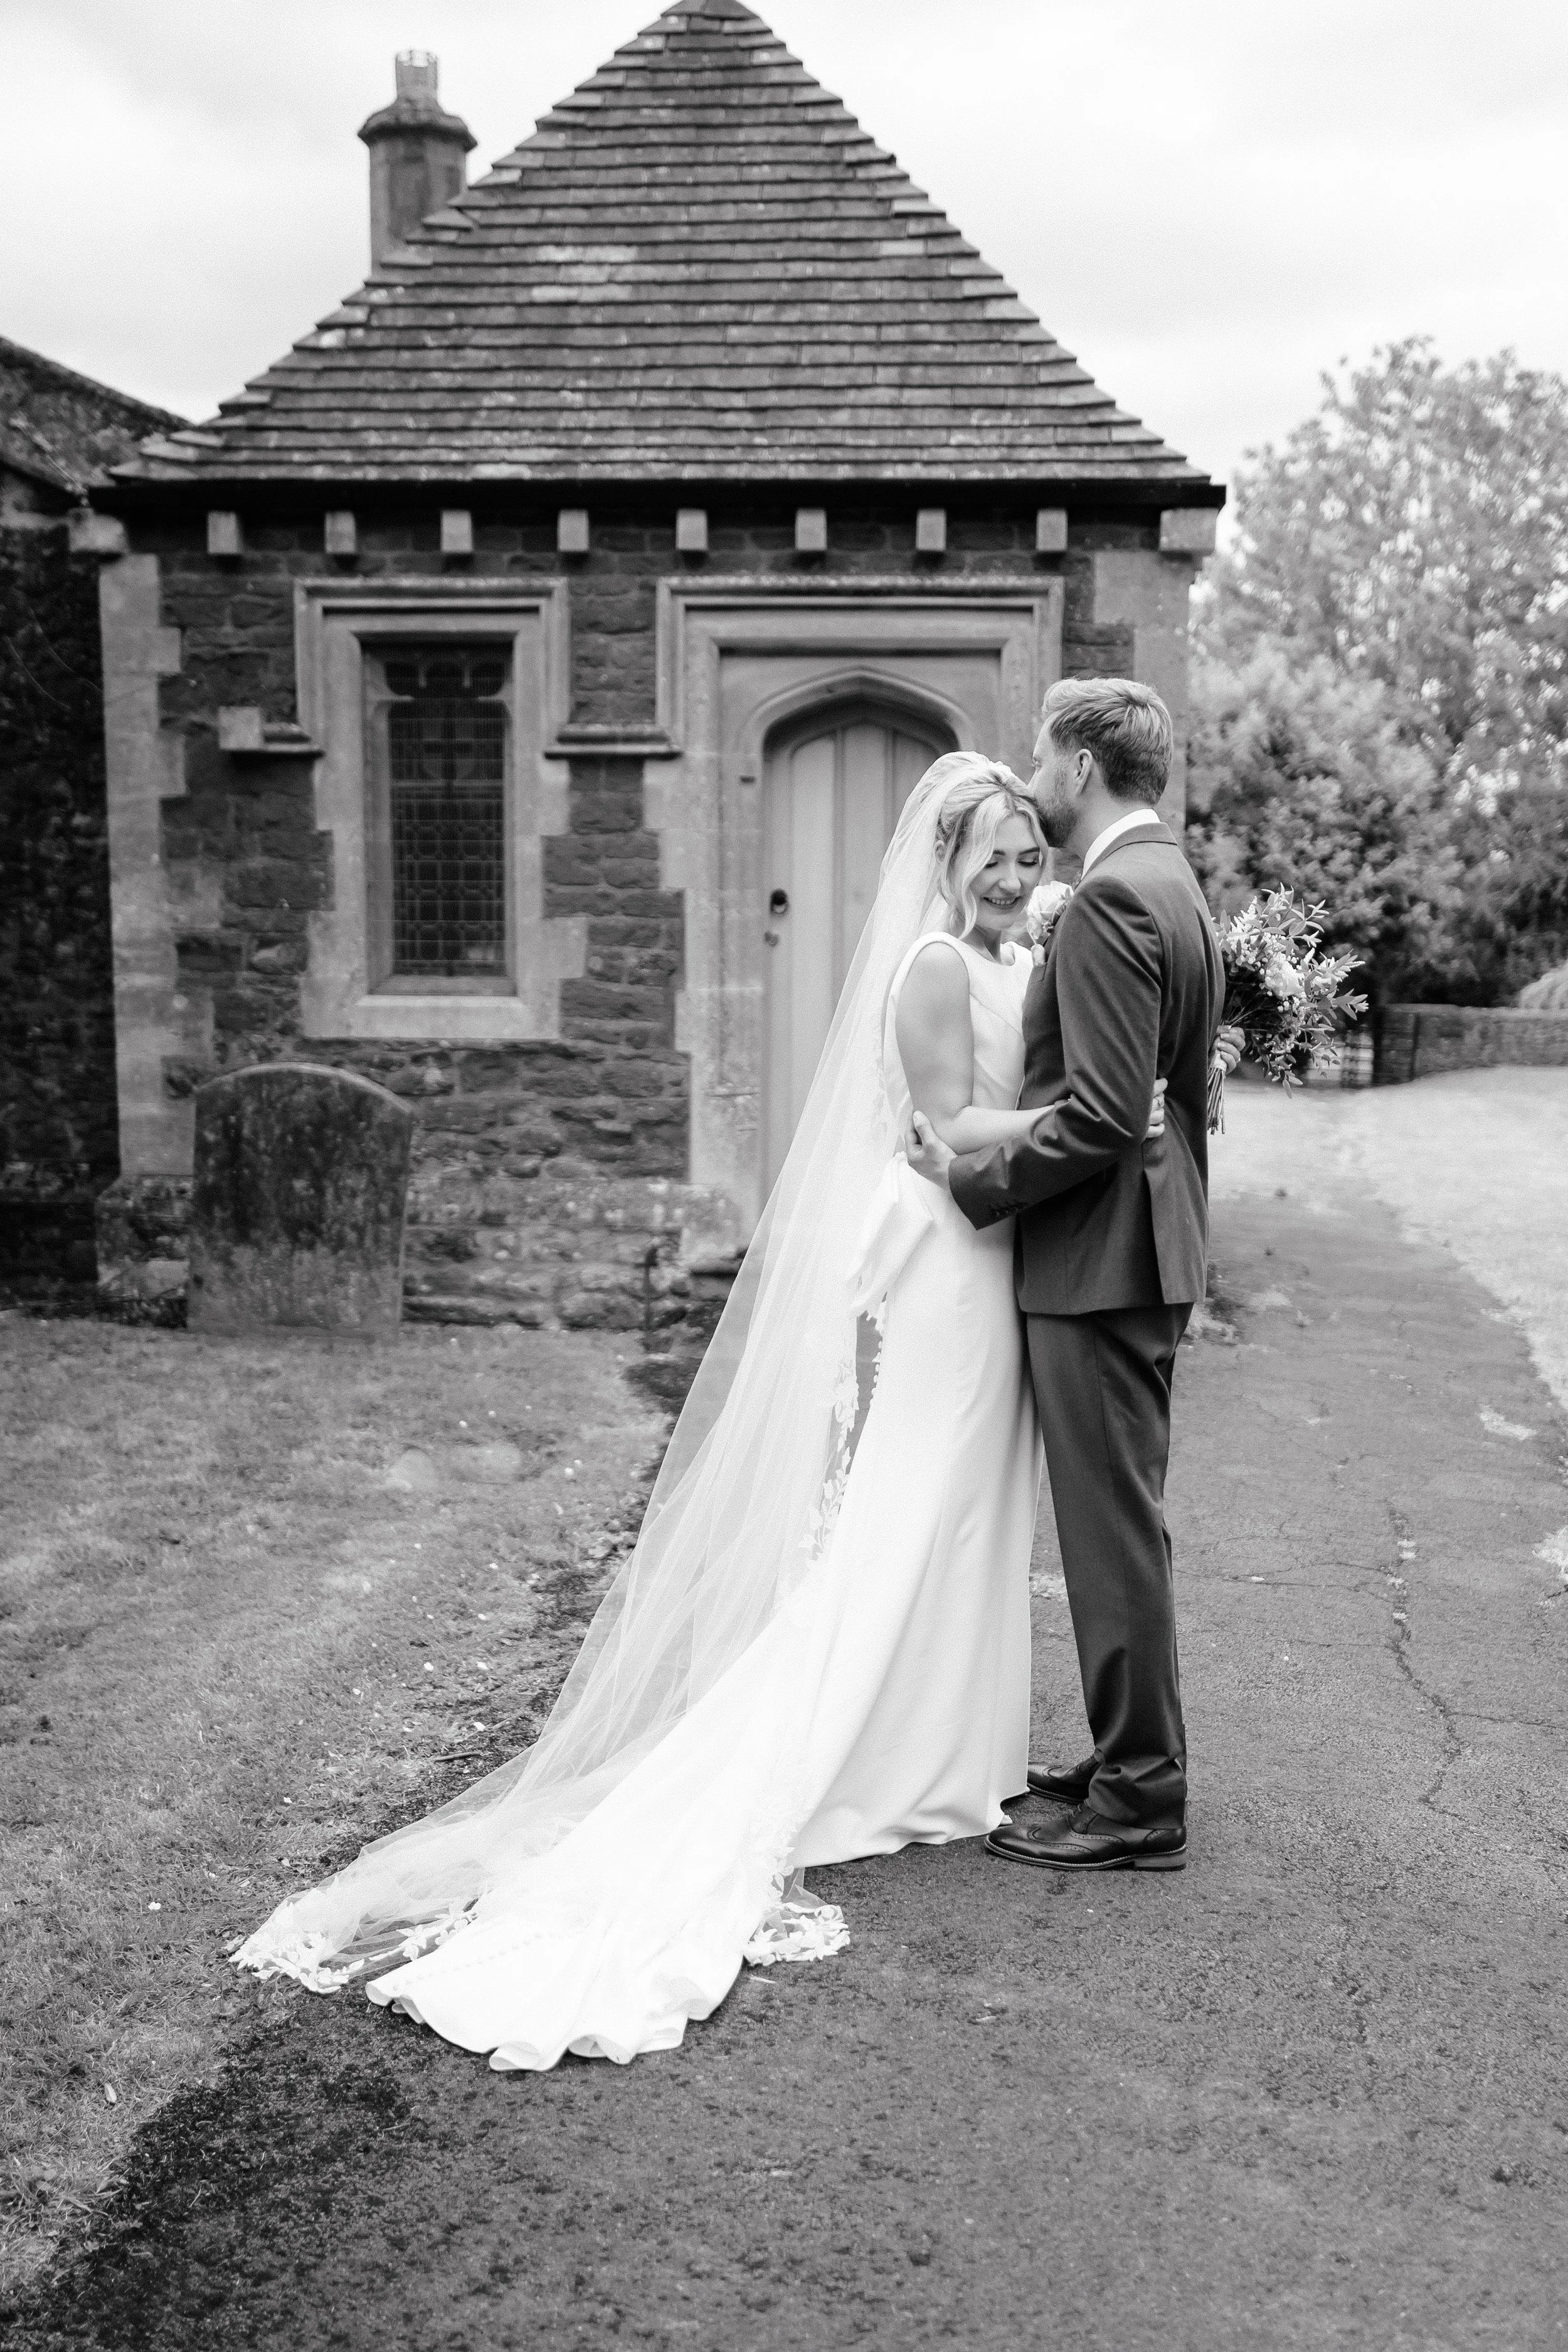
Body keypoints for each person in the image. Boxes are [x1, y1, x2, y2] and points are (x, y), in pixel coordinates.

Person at [232, 753, 1168, 2069]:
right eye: (992, 857)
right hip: (954, 1256)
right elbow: (949, 1123)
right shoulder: (935, 970)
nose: (1017, 873)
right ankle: (866, 1754)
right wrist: (1097, 1121)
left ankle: (951, 1753)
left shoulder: (1034, 949)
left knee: (973, 1502)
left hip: (1006, 1245)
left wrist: (1103, 1097)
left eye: (1028, 849)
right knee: (919, 1491)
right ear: (943, 867)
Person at [912, 678, 1226, 1872]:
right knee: (1122, 1522)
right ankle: (1127, 1752)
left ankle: (1142, 1796)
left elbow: (1099, 1116)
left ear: (1082, 766)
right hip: (1147, 1243)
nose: (1036, 776)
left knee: (1109, 1533)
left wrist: (973, 1181)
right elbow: (1158, 1095)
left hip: (1098, 1260)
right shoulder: (1175, 885)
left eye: (1045, 757)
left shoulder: (1104, 903)